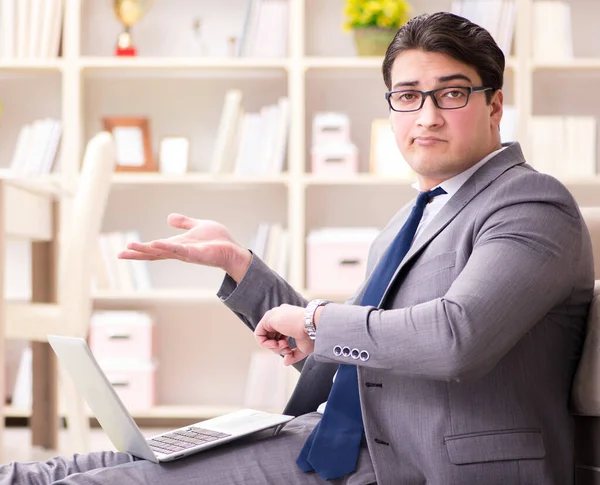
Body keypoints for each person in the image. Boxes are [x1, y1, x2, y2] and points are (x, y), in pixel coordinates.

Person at [1, 11, 594, 485]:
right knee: (53, 470)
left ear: (494, 104)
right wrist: (242, 269)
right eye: (408, 95)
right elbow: (342, 354)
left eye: (453, 94)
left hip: (419, 463)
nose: (427, 116)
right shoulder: (408, 221)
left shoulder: (529, 204)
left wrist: (314, 318)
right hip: (334, 437)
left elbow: (454, 340)